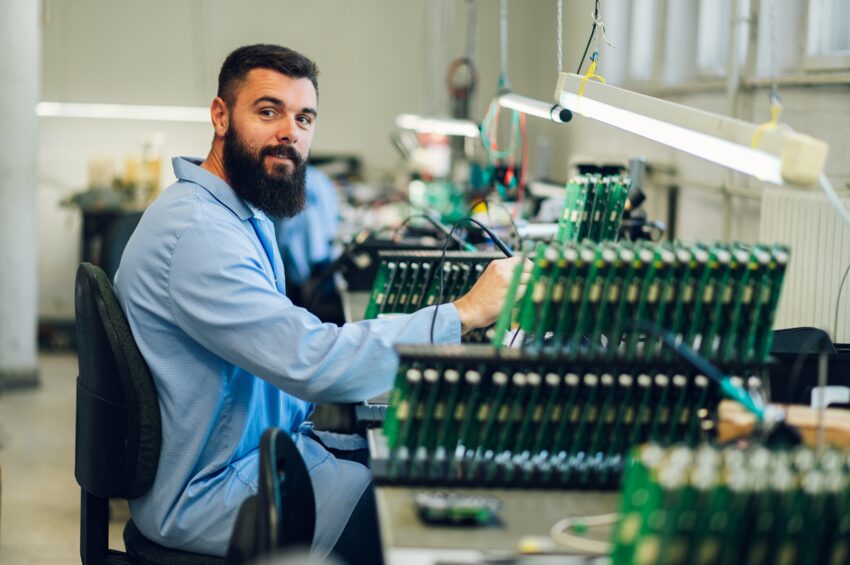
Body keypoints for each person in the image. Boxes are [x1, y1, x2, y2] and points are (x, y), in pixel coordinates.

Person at [114, 43, 522, 562]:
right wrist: (463, 314)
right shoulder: (199, 234)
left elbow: (293, 346)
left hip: (252, 457)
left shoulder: (233, 213)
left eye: (304, 117)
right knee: (438, 530)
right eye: (268, 112)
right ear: (221, 116)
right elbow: (311, 360)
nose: (290, 132)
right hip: (212, 494)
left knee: (419, 472)